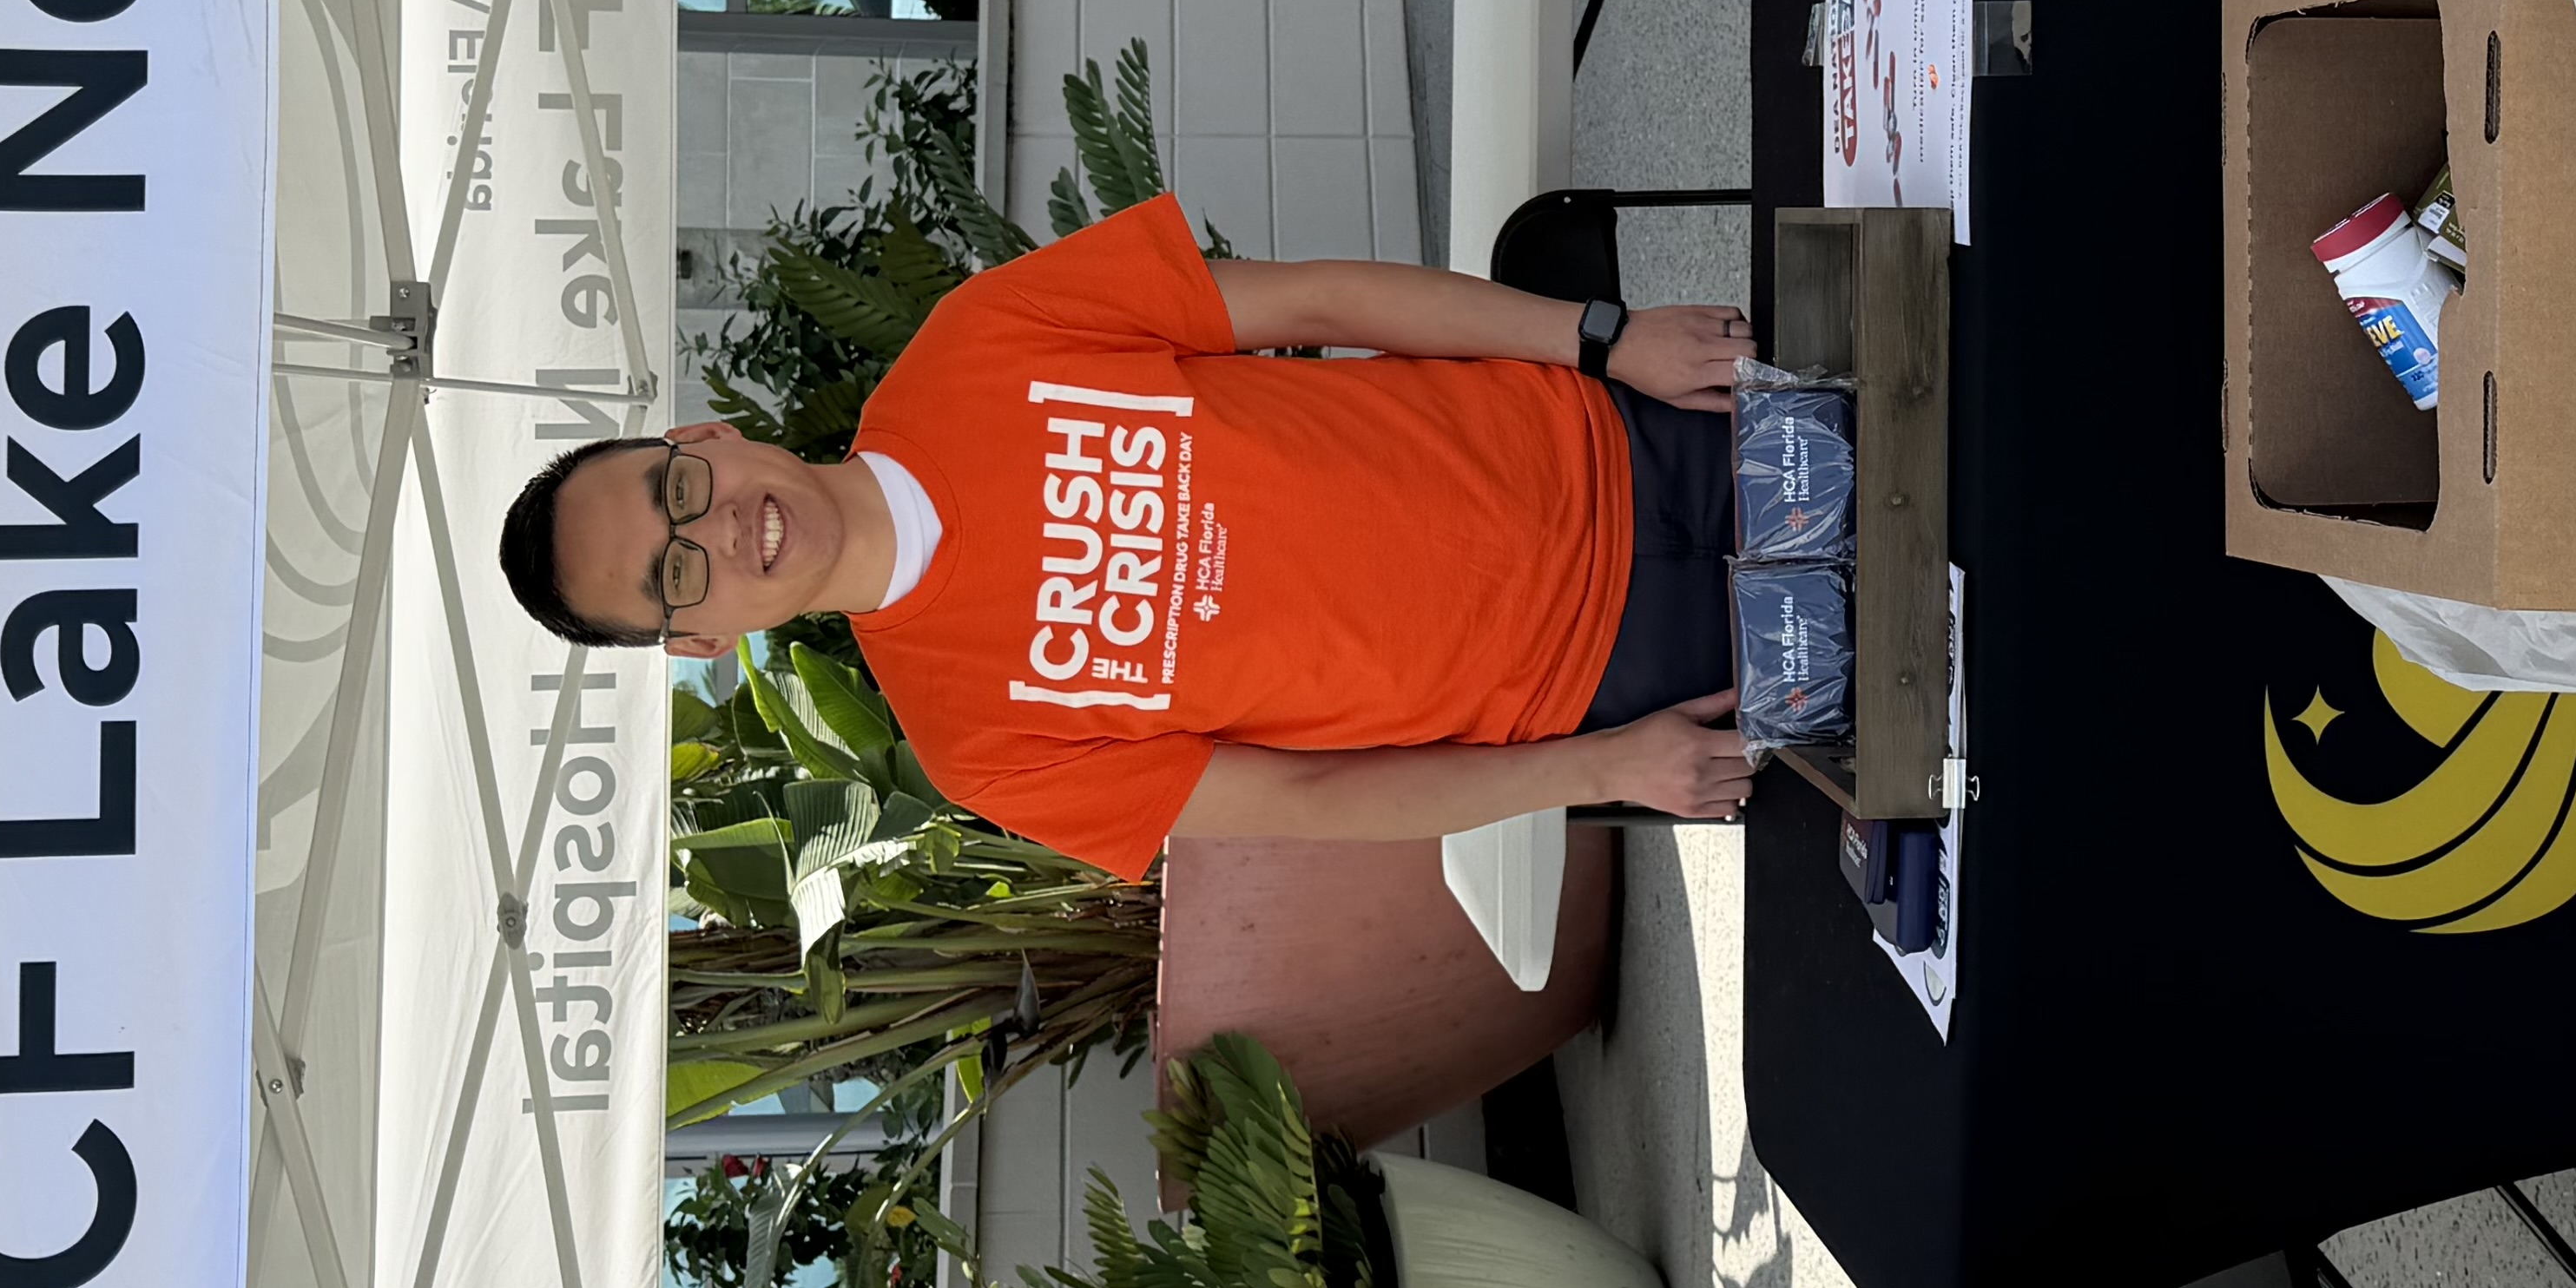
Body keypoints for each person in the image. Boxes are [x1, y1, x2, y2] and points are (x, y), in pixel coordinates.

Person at [497, 200, 1756, 882]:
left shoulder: (975, 339)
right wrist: (1603, 770)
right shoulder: (982, 750)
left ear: (705, 435)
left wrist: (1604, 335)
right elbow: (1317, 802)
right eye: (677, 573)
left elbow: (1318, 296)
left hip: (1612, 426)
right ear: (706, 637)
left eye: (675, 489)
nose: (717, 530)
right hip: (1612, 678)